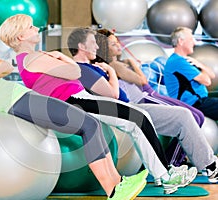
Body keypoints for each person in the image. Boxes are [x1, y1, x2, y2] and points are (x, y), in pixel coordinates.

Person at [0, 28, 149, 200]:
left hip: (24, 99)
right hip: (20, 103)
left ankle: (117, 183)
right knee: (88, 125)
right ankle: (113, 189)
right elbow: (4, 67)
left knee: (91, 124)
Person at [0, 14, 196, 194]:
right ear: (20, 37)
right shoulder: (31, 58)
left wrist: (61, 59)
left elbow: (70, 71)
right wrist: (60, 57)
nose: (36, 28)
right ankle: (164, 175)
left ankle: (163, 174)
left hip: (80, 98)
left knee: (137, 118)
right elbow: (75, 72)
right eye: (30, 27)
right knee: (137, 118)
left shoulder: (32, 57)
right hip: (75, 101)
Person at [67, 27, 218, 184]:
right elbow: (113, 94)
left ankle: (208, 165)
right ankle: (177, 169)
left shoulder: (94, 66)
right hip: (126, 109)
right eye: (93, 43)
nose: (97, 47)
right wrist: (111, 71)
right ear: (82, 46)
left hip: (132, 106)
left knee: (184, 115)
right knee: (185, 115)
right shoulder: (84, 69)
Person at [93, 28, 206, 167]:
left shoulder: (119, 64)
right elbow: (142, 81)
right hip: (145, 97)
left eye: (117, 42)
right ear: (104, 47)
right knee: (193, 117)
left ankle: (176, 159)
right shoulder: (115, 65)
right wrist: (133, 63)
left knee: (197, 116)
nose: (118, 45)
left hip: (149, 95)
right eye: (113, 44)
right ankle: (173, 161)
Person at [164, 26, 218, 122]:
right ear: (181, 41)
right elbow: (207, 81)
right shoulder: (178, 62)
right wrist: (201, 67)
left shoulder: (185, 61)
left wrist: (200, 64)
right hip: (194, 104)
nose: (194, 42)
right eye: (191, 39)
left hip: (199, 102)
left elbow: (212, 75)